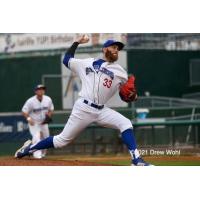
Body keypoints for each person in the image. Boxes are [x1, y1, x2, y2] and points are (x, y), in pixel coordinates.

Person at [15, 35, 152, 166]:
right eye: (113, 47)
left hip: (101, 110)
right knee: (61, 141)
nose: (116, 50)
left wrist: (133, 96)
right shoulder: (87, 63)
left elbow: (127, 94)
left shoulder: (120, 71)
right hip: (83, 108)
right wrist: (76, 43)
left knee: (126, 123)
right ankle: (29, 149)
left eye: (118, 48)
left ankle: (136, 159)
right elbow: (66, 59)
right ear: (104, 49)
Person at [15, 84, 54, 159]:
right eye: (39, 89)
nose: (41, 90)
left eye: (42, 89)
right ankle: (37, 155)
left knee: (46, 139)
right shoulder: (30, 101)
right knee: (36, 137)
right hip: (34, 123)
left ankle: (42, 154)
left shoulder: (48, 99)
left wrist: (48, 116)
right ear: (35, 91)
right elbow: (24, 111)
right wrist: (29, 119)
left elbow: (51, 109)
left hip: (44, 123)